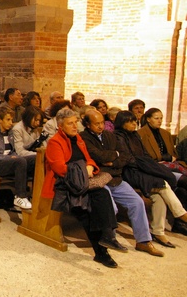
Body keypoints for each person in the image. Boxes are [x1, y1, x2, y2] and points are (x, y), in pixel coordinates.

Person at [44, 108, 125, 268]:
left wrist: (89, 167)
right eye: (70, 124)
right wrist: (83, 170)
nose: (75, 126)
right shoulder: (55, 142)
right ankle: (102, 251)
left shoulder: (79, 139)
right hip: (65, 186)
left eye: (76, 123)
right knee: (87, 212)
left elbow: (91, 161)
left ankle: (108, 238)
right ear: (61, 126)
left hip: (83, 182)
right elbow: (60, 168)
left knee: (102, 194)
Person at [81, 109, 163, 256]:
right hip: (99, 180)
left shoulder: (109, 136)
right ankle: (109, 239)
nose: (101, 126)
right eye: (96, 124)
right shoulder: (84, 138)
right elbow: (96, 156)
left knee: (137, 202)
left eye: (102, 123)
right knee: (111, 207)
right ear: (87, 124)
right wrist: (113, 156)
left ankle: (143, 241)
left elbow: (125, 156)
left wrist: (112, 161)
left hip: (116, 178)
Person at [114, 110, 187, 243]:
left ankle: (158, 232)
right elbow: (127, 159)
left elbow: (145, 155)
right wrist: (145, 164)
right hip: (129, 173)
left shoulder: (135, 135)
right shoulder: (118, 136)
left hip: (141, 169)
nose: (133, 124)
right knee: (162, 184)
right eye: (129, 121)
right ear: (122, 123)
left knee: (158, 197)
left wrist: (147, 164)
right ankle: (181, 214)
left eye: (134, 121)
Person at [0, 106, 35, 210]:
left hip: (10, 161)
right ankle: (20, 196)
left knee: (34, 159)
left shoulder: (10, 132)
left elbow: (14, 150)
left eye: (11, 120)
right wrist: (9, 158)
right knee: (20, 161)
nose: (11, 122)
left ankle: (35, 193)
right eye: (8, 120)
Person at [138, 108, 187, 176]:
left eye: (161, 118)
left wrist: (170, 158)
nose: (159, 121)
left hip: (170, 163)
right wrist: (162, 158)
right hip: (153, 165)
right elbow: (143, 155)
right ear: (148, 119)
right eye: (156, 118)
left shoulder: (165, 133)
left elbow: (173, 153)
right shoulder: (141, 134)